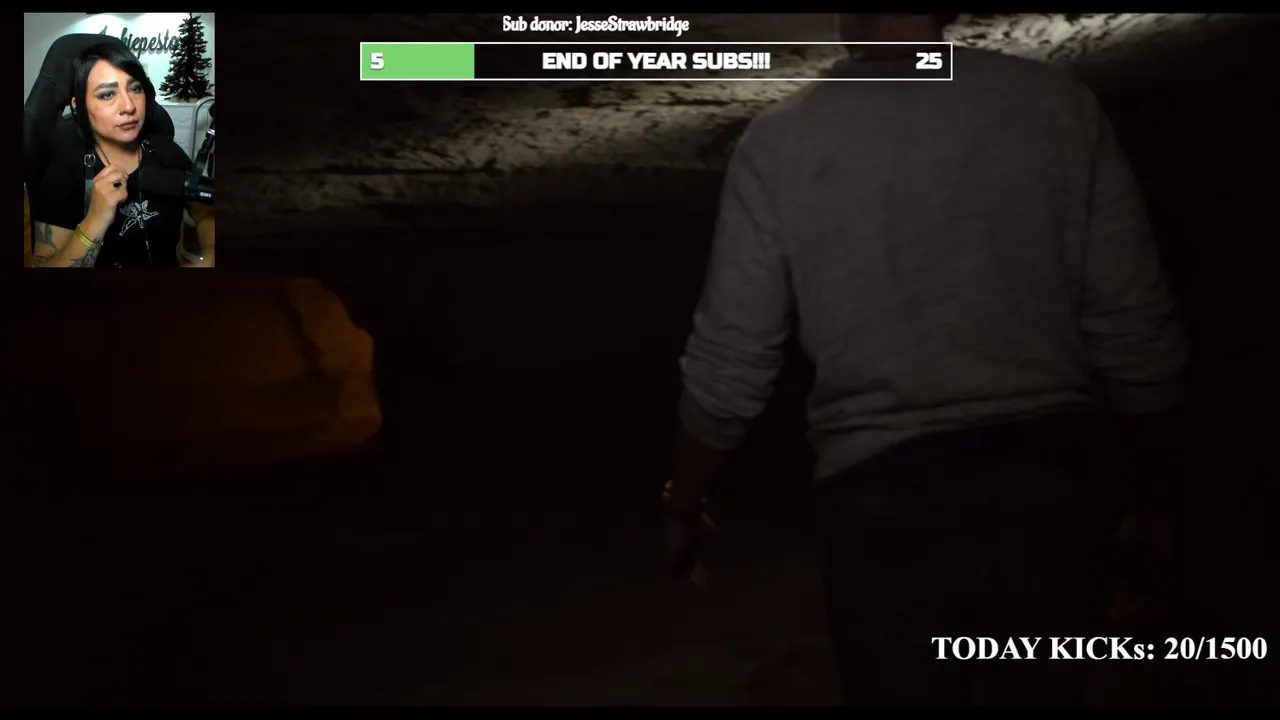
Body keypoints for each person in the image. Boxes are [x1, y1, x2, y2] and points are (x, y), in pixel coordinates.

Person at [660, 14, 1188, 706]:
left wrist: (683, 501)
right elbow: (1133, 327)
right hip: (1047, 482)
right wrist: (1157, 493)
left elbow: (732, 357)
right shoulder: (1057, 106)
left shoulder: (783, 138)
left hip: (882, 494)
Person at [29, 42, 214, 268]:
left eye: (135, 89)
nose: (128, 106)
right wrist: (95, 220)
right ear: (78, 105)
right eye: (107, 94)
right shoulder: (63, 173)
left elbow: (205, 214)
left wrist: (209, 254)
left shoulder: (167, 153)